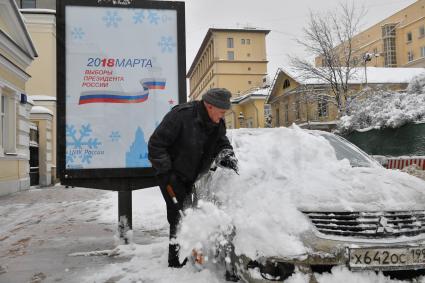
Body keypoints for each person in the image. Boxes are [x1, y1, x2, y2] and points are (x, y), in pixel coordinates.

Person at [148, 88, 239, 269]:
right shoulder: (181, 116)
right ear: (209, 106)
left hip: (192, 177)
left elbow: (221, 142)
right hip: (171, 176)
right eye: (221, 112)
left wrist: (227, 154)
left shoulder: (217, 123)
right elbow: (156, 144)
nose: (222, 117)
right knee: (179, 216)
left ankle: (192, 253)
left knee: (191, 215)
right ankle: (176, 262)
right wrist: (167, 173)